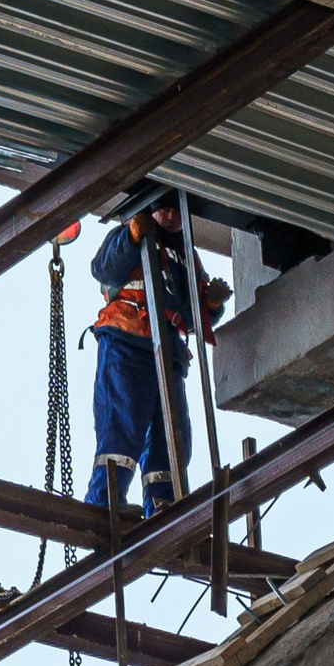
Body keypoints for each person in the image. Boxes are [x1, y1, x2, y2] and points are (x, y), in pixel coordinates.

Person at [81, 198, 228, 513]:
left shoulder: (187, 256)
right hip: (128, 339)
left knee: (171, 439)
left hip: (168, 353)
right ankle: (104, 501)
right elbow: (103, 268)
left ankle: (165, 506)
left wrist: (212, 305)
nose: (172, 213)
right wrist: (131, 237)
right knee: (123, 424)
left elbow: (191, 316)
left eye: (176, 208)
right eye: (164, 207)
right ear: (151, 208)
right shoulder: (132, 231)